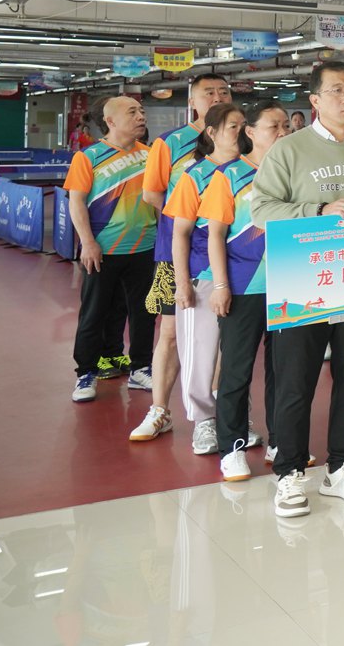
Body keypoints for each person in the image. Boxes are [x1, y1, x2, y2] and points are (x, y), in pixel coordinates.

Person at [250, 61, 344, 518]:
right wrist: (317, 211)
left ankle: (342, 466)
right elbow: (261, 209)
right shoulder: (288, 149)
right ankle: (289, 472)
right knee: (296, 383)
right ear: (314, 100)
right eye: (336, 90)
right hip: (302, 283)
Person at [141, 103, 249, 453]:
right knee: (199, 352)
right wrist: (183, 283)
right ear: (212, 133)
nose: (241, 132)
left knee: (234, 354)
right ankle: (203, 421)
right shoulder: (195, 175)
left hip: (244, 276)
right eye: (233, 126)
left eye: (244, 125)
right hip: (202, 275)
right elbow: (180, 234)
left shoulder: (253, 170)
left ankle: (234, 419)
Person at [205, 99, 289, 482]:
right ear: (250, 132)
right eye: (274, 126)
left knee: (284, 371)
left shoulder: (294, 173)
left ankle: (280, 441)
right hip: (243, 288)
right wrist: (221, 285)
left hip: (290, 286)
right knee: (236, 372)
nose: (283, 133)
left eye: (287, 126)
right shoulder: (229, 176)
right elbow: (215, 236)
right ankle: (232, 448)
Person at [137, 73, 232, 409]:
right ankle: (159, 410)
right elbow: (152, 194)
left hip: (230, 252)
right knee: (170, 333)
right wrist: (189, 222)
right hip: (176, 253)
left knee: (226, 336)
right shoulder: (170, 143)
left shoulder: (241, 142)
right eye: (209, 92)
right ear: (192, 102)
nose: (218, 97)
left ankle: (218, 410)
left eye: (224, 92)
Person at [65, 95, 158, 403]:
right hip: (103, 250)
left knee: (144, 312)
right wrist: (88, 242)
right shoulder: (88, 157)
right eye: (133, 112)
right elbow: (76, 202)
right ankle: (86, 373)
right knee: (94, 313)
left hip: (145, 247)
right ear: (110, 120)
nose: (141, 116)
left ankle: (141, 367)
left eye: (141, 111)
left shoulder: (151, 155)